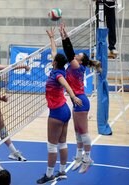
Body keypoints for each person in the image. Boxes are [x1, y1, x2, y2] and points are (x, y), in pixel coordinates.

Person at [36, 28, 83, 184]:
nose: (52, 59)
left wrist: (73, 96)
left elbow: (66, 84)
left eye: (54, 59)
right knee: (62, 142)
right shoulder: (58, 68)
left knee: (52, 146)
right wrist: (52, 38)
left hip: (56, 113)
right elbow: (54, 51)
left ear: (55, 63)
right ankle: (62, 172)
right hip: (64, 111)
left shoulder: (58, 74)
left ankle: (49, 174)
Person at [59, 23, 102, 173]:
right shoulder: (73, 65)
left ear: (81, 61)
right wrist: (64, 35)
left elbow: (69, 52)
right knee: (77, 131)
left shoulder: (78, 67)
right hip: (76, 101)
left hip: (81, 101)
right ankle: (78, 157)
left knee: (83, 131)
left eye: (79, 56)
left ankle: (88, 158)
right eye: (77, 55)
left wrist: (65, 36)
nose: (76, 55)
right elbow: (69, 53)